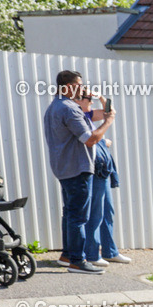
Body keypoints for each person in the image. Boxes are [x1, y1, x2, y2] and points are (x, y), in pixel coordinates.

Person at [42, 71, 115, 274]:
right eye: (79, 85)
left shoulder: (55, 106)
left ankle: (67, 255)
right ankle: (77, 260)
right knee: (78, 217)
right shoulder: (69, 109)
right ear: (66, 86)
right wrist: (107, 122)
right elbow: (90, 139)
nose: (83, 89)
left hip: (64, 167)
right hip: (77, 168)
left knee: (70, 214)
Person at [74, 93, 131, 266]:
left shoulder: (89, 116)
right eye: (86, 98)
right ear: (77, 101)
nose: (90, 101)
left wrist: (101, 98)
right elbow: (89, 139)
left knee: (108, 211)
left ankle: (110, 251)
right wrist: (102, 142)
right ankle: (92, 254)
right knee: (95, 213)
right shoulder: (76, 117)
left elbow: (110, 114)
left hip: (103, 169)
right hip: (94, 168)